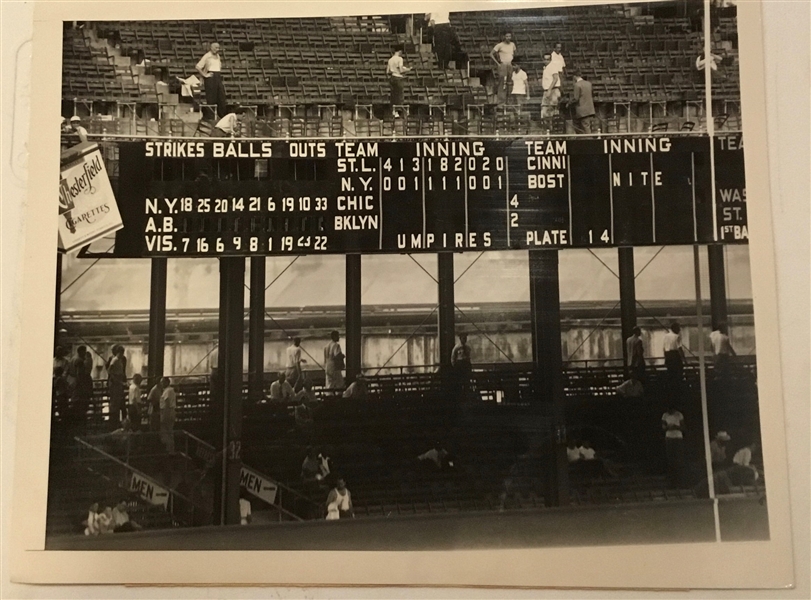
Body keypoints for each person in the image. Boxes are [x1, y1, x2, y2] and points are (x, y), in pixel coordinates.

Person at [196, 42, 227, 120]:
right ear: (211, 48)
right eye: (216, 48)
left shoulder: (218, 56)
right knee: (211, 98)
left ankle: (221, 116)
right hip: (210, 77)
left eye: (218, 48)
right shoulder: (207, 56)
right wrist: (205, 75)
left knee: (221, 96)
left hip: (218, 76)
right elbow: (198, 66)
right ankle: (211, 116)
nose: (217, 49)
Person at [662, 407, 685, 488]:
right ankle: (671, 481)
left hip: (678, 437)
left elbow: (683, 427)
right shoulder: (665, 415)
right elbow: (663, 427)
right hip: (669, 437)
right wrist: (669, 427)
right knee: (670, 459)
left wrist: (676, 427)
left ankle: (680, 481)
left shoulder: (679, 414)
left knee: (678, 459)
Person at [490, 33, 516, 104]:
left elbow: (513, 54)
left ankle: (509, 101)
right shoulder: (500, 45)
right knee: (502, 83)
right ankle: (501, 101)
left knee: (510, 82)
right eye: (507, 36)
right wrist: (498, 64)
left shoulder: (512, 44)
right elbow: (491, 54)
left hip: (510, 64)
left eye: (509, 36)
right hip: (503, 64)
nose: (508, 38)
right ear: (504, 37)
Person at [386, 48, 412, 116]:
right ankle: (398, 111)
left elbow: (388, 71)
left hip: (392, 77)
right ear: (399, 51)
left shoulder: (390, 60)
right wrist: (407, 70)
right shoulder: (400, 59)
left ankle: (393, 111)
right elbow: (400, 70)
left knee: (393, 95)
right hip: (398, 78)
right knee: (400, 95)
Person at [107, 345, 126, 427]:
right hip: (116, 383)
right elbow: (109, 371)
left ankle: (116, 420)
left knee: (118, 402)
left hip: (119, 381)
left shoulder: (120, 360)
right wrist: (115, 379)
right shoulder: (114, 360)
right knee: (115, 402)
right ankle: (114, 421)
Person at [450, 333, 472, 401]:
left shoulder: (468, 348)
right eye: (463, 338)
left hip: (466, 365)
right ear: (460, 339)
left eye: (465, 338)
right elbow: (453, 358)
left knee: (467, 381)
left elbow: (468, 357)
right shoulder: (456, 348)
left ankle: (466, 396)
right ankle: (460, 397)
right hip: (459, 366)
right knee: (459, 382)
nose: (465, 339)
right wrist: (456, 366)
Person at [541, 53, 562, 118]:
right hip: (547, 90)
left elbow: (555, 78)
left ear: (550, 59)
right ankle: (547, 127)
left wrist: (549, 90)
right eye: (545, 59)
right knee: (545, 109)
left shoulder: (552, 66)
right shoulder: (546, 68)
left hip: (553, 90)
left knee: (552, 110)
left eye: (548, 59)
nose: (546, 61)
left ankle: (552, 127)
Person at [159, 377, 176, 453]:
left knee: (167, 430)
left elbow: (167, 403)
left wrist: (164, 415)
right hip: (170, 411)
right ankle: (169, 448)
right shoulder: (169, 390)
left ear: (167, 382)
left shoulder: (168, 391)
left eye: (162, 382)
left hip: (167, 411)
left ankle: (169, 449)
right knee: (169, 431)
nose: (161, 384)